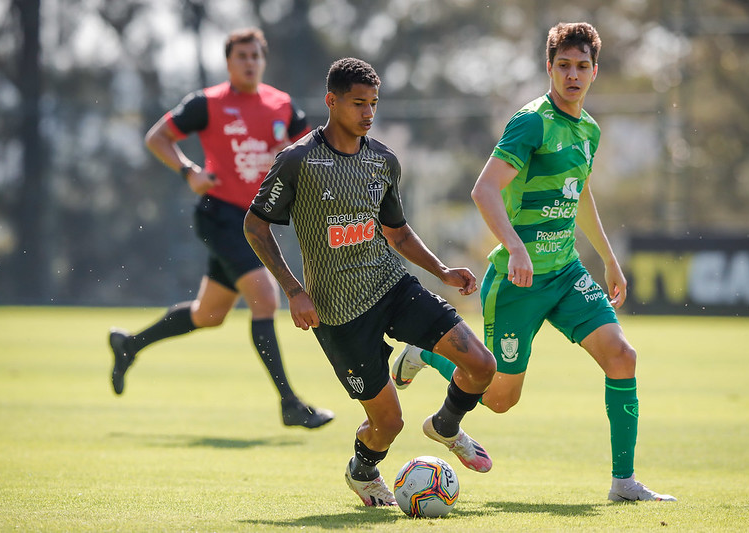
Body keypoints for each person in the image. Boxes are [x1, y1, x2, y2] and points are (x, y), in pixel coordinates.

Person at [392, 22, 676, 502]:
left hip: (566, 274)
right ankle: (429, 355)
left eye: (582, 66)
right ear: (549, 68)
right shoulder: (531, 122)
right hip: (516, 282)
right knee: (500, 400)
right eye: (563, 65)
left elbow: (580, 193)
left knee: (623, 356)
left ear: (594, 71)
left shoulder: (589, 129)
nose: (573, 74)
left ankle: (623, 483)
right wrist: (517, 247)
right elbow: (484, 190)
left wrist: (608, 259)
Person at [243, 57, 497, 507]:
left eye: (373, 103)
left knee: (482, 364)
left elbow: (396, 232)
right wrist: (294, 290)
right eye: (358, 103)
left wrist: (441, 271)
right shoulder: (299, 161)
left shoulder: (382, 160)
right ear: (331, 101)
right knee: (388, 424)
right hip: (338, 316)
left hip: (391, 287)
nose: (367, 113)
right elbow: (256, 226)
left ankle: (446, 425)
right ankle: (362, 472)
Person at [108, 27, 334, 430]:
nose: (249, 62)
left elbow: (310, 154)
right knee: (265, 299)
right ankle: (289, 404)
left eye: (255, 56)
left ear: (263, 61)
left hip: (256, 220)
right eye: (241, 56)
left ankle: (129, 345)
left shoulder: (282, 105)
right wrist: (188, 171)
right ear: (228, 62)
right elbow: (157, 138)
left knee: (208, 315)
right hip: (220, 215)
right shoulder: (207, 103)